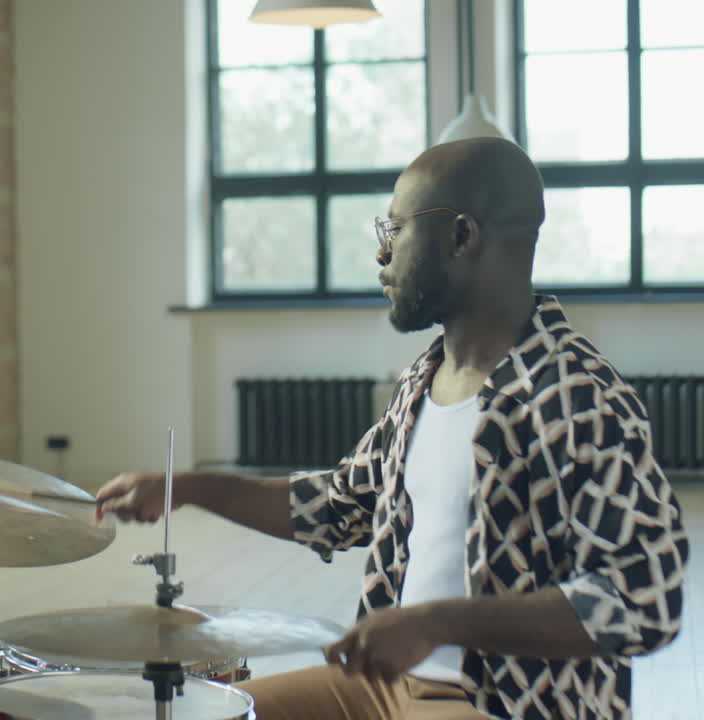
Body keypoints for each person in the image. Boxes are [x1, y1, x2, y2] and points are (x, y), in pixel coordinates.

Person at [95, 137, 689, 720]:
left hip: (495, 703)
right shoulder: (424, 380)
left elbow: (642, 599)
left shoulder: (575, 395)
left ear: (461, 236)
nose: (382, 256)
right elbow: (337, 504)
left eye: (396, 231)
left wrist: (436, 622)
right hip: (381, 690)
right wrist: (187, 487)